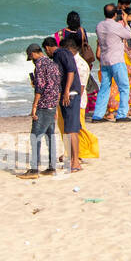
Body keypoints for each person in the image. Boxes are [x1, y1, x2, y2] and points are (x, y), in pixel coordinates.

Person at [22, 43, 60, 177]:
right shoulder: (52, 64)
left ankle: (34, 169)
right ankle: (51, 167)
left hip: (43, 105)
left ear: (32, 54)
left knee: (35, 136)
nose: (32, 60)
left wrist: (34, 106)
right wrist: (55, 106)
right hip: (52, 104)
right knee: (50, 137)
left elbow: (40, 88)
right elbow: (56, 86)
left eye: (31, 57)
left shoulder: (39, 65)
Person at [50, 34, 86, 172]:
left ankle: (76, 161)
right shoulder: (71, 60)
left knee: (72, 130)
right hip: (73, 97)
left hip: (73, 97)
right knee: (70, 130)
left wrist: (66, 92)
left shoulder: (76, 62)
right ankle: (73, 159)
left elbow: (79, 82)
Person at [92, 3, 131, 122]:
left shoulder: (99, 25)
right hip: (116, 60)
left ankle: (97, 115)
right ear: (115, 14)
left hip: (105, 60)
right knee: (124, 87)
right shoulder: (116, 26)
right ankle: (121, 114)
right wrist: (125, 21)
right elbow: (128, 35)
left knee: (104, 88)